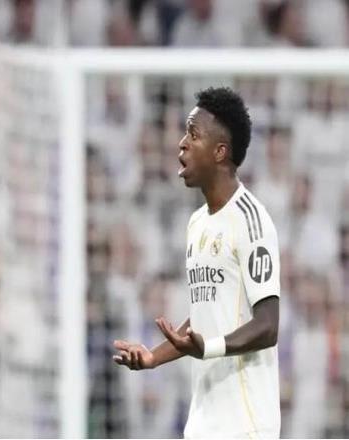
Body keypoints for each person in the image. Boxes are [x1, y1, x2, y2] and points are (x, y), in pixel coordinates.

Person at [112, 87, 281, 438]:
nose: (181, 144)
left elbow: (268, 325)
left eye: (193, 134)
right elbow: (207, 314)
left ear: (220, 152)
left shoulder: (251, 220)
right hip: (204, 421)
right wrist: (153, 358)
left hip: (245, 424)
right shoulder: (197, 223)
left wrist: (208, 348)